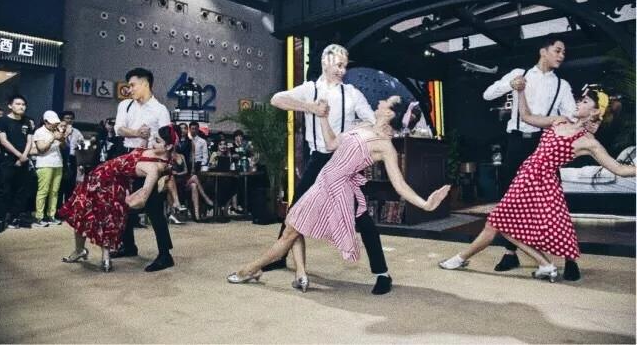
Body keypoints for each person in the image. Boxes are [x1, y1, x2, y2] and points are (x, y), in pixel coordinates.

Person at [227, 96, 450, 290]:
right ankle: (299, 274)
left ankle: (249, 270)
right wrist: (323, 118)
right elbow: (332, 144)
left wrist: (425, 204)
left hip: (334, 190)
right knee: (293, 226)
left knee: (290, 231)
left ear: (390, 113)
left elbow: (399, 184)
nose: (381, 101)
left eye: (386, 101)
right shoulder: (364, 125)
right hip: (322, 182)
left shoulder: (386, 147)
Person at [439, 87, 635, 281]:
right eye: (580, 99)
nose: (578, 102)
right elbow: (527, 117)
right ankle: (544, 264)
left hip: (541, 184)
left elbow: (619, 169)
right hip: (525, 178)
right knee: (501, 224)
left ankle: (460, 259)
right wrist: (521, 92)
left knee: (497, 223)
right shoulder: (560, 120)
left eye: (584, 102)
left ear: (595, 111)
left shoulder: (588, 142)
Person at [265, 44, 396, 294]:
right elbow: (276, 99)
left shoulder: (353, 94)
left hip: (344, 161)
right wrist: (310, 108)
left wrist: (374, 128)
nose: (342, 70)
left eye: (345, 66)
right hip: (317, 159)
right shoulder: (310, 89)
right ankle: (280, 256)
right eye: (338, 65)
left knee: (361, 216)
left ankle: (382, 273)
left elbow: (371, 121)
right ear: (325, 62)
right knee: (295, 212)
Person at [482, 35, 577, 275]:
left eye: (563, 52)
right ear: (543, 51)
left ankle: (569, 258)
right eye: (557, 50)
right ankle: (510, 252)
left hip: (544, 145)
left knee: (553, 201)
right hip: (516, 142)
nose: (561, 55)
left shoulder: (562, 85)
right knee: (510, 199)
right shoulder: (520, 73)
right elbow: (487, 94)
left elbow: (571, 116)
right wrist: (510, 84)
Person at [58, 125, 177, 272]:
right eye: (154, 139)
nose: (153, 142)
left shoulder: (155, 168)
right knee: (86, 210)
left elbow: (142, 198)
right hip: (102, 177)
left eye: (157, 141)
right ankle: (111, 250)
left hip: (109, 183)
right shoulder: (153, 150)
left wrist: (127, 201)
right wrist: (142, 135)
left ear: (168, 146)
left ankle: (102, 256)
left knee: (94, 213)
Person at [112, 67, 174, 272]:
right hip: (125, 155)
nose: (129, 89)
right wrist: (137, 133)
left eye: (133, 85)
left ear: (145, 84)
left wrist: (158, 144)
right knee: (123, 201)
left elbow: (166, 140)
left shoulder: (160, 110)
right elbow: (119, 129)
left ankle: (165, 254)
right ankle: (128, 245)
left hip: (148, 161)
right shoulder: (125, 105)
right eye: (128, 85)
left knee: (154, 207)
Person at [0, 95, 34, 232]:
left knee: (21, 191)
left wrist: (24, 156)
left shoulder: (28, 121)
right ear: (10, 105)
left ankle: (15, 217)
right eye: (18, 104)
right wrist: (19, 155)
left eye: (23, 104)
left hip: (24, 160)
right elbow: (4, 141)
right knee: (4, 191)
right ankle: (0, 219)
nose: (21, 107)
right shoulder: (2, 121)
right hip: (8, 160)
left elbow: (29, 141)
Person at [32, 110, 65, 226]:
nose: (55, 124)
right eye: (52, 122)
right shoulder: (39, 131)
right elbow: (41, 148)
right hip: (44, 163)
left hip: (58, 163)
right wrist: (53, 138)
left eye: (56, 122)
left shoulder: (57, 131)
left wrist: (62, 137)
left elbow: (63, 146)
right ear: (46, 121)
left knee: (54, 191)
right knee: (43, 191)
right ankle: (39, 217)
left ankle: (51, 215)